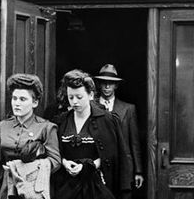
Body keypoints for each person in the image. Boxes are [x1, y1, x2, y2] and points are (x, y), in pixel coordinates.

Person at [52, 69, 133, 199]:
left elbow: (112, 155)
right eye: (70, 97)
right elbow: (54, 151)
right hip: (67, 186)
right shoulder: (61, 121)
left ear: (90, 95)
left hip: (97, 187)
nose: (74, 102)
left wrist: (89, 166)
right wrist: (65, 162)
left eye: (79, 97)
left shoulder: (107, 120)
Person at [0, 73, 61, 199]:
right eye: (14, 98)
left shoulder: (46, 128)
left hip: (34, 189)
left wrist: (23, 167)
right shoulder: (2, 127)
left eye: (22, 99)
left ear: (34, 102)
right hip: (6, 189)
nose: (16, 103)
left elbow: (55, 161)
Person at [95, 64, 144, 199]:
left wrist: (138, 171)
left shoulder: (128, 109)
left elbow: (134, 143)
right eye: (104, 83)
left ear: (116, 85)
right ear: (99, 84)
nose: (107, 87)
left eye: (110, 83)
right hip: (99, 166)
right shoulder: (91, 106)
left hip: (123, 168)